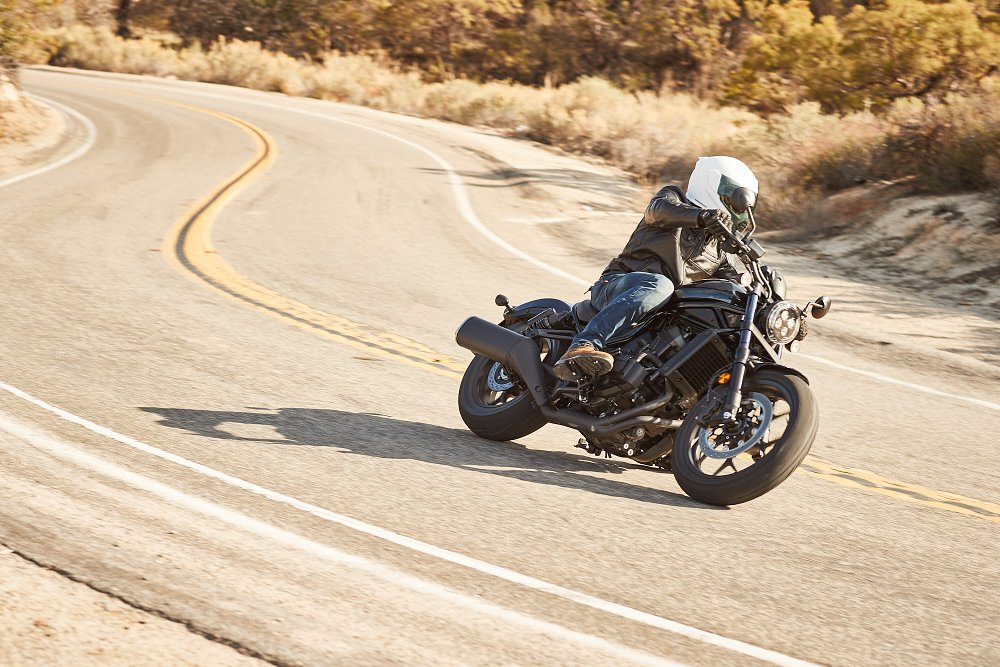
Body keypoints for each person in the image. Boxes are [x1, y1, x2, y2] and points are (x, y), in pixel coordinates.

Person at [553, 156, 758, 381]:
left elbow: (732, 288)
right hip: (617, 285)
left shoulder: (718, 251)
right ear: (712, 184)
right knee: (661, 284)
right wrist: (701, 216)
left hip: (657, 314)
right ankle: (585, 343)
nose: (739, 210)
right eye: (735, 200)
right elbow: (658, 210)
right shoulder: (672, 200)